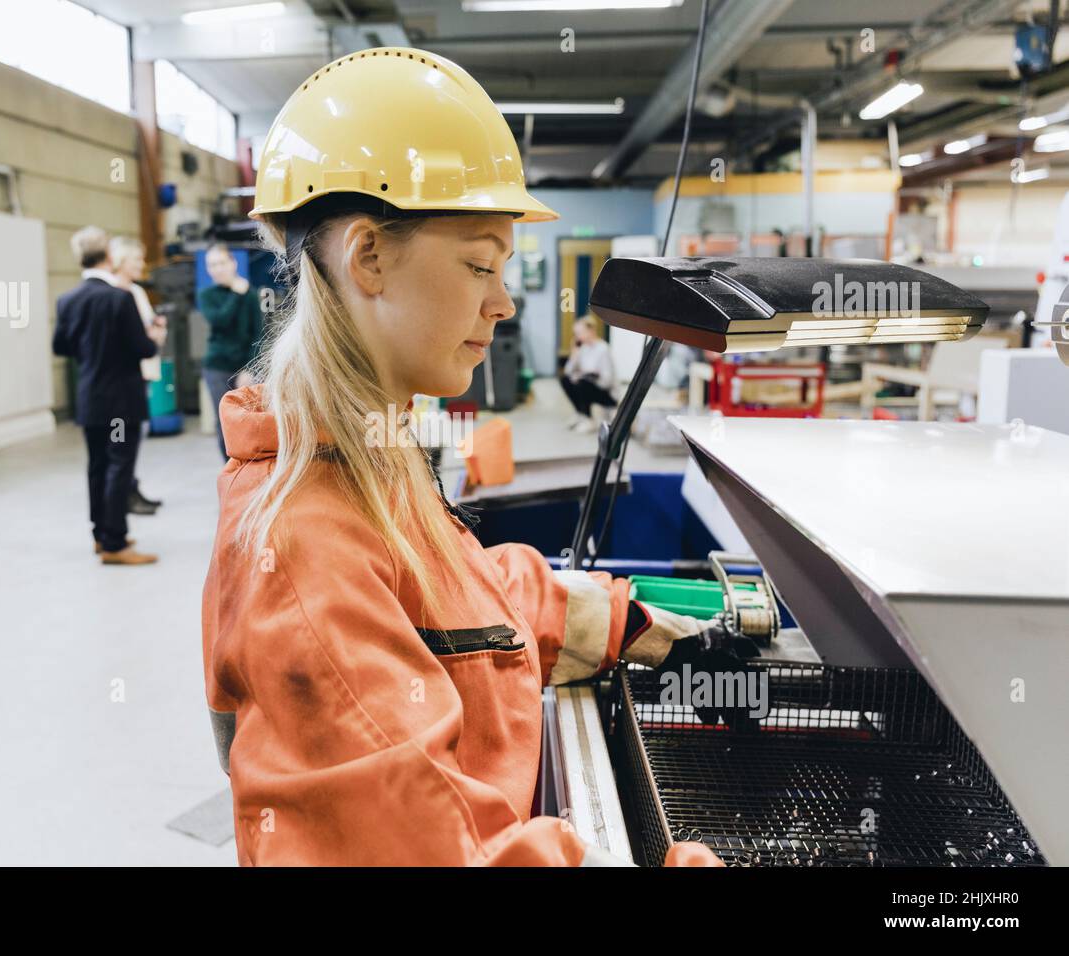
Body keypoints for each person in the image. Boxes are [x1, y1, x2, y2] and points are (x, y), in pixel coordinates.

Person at [202, 47, 731, 866]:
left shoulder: (371, 455)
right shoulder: (307, 546)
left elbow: (462, 600)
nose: (503, 300)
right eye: (479, 263)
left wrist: (619, 619)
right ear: (369, 257)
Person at [53, 226, 165, 566]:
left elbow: (61, 346)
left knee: (98, 466)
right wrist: (156, 335)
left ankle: (101, 535)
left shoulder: (67, 300)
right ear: (109, 257)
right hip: (121, 402)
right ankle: (116, 543)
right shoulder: (119, 298)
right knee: (119, 466)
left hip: (90, 398)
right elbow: (143, 348)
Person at [108, 236, 165, 516]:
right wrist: (149, 335)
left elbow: (146, 329)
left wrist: (155, 330)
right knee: (122, 437)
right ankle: (123, 493)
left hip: (142, 371)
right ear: (120, 261)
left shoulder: (137, 292)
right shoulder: (113, 294)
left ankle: (130, 487)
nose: (141, 265)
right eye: (136, 260)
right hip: (122, 377)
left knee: (137, 433)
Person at [199, 242, 263, 458]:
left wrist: (249, 369)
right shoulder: (206, 295)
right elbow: (220, 320)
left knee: (249, 420)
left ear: (233, 263)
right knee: (225, 422)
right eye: (212, 265)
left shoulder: (251, 294)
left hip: (244, 367)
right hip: (217, 367)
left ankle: (249, 470)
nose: (217, 269)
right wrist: (236, 294)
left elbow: (258, 334)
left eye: (221, 263)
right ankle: (230, 470)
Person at [560, 314, 617, 433]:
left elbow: (608, 381)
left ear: (591, 331)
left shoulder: (603, 349)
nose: (577, 337)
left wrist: (589, 377)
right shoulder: (583, 349)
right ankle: (580, 414)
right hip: (587, 385)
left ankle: (589, 420)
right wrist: (574, 354)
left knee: (583, 382)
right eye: (576, 333)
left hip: (606, 393)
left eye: (580, 332)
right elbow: (567, 371)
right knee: (565, 380)